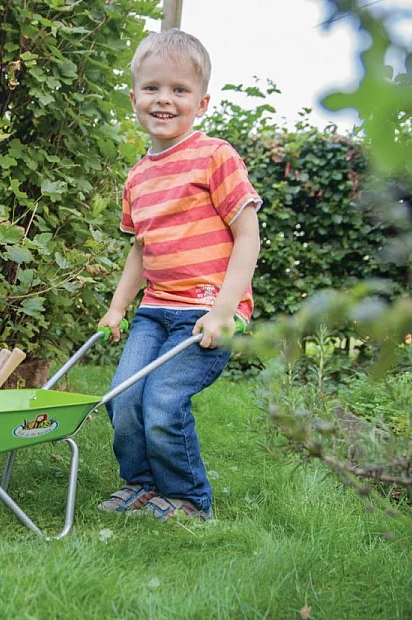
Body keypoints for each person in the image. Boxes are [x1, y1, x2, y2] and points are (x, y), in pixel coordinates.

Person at [97, 29, 263, 521]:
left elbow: (248, 237)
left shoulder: (216, 157)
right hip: (154, 311)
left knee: (165, 402)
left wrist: (223, 311)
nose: (164, 99)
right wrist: (116, 307)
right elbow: (139, 249)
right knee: (123, 399)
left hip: (206, 313)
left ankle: (187, 499)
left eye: (179, 90)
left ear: (202, 101)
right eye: (152, 88)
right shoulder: (137, 176)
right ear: (134, 98)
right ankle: (142, 485)